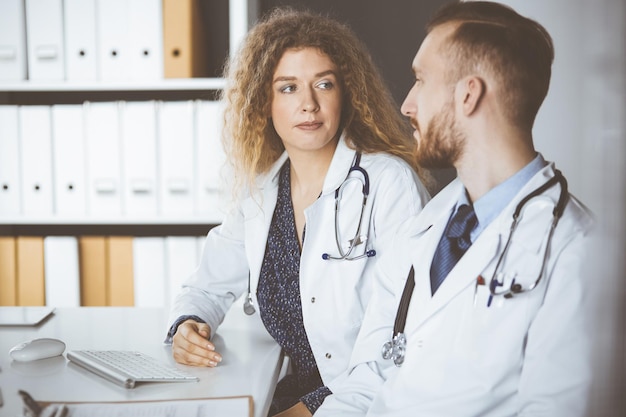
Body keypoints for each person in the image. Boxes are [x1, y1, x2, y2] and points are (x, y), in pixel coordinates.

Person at [315, 2, 595, 416]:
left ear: (469, 94)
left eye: (421, 80)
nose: (407, 104)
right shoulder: (427, 225)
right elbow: (368, 376)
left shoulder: (576, 251)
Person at [165, 7, 431, 417]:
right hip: (288, 391)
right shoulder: (261, 191)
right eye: (288, 88)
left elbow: (400, 339)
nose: (308, 104)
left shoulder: (388, 184)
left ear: (347, 94)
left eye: (323, 84)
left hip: (364, 402)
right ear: (263, 102)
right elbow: (207, 286)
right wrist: (188, 324)